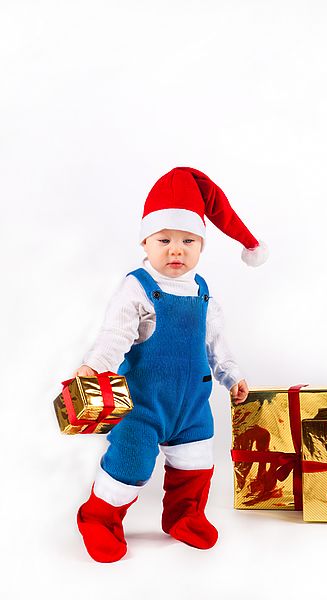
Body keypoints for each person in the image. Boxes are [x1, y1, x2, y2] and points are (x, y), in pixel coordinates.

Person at [74, 166, 268, 562]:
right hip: (143, 404)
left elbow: (216, 343)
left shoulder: (203, 292)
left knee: (196, 464)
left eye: (187, 240)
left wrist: (232, 377)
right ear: (145, 241)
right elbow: (116, 335)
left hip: (192, 406)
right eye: (164, 240)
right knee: (130, 462)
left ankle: (184, 515)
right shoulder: (138, 287)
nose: (176, 250)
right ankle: (99, 518)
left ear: (201, 246)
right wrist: (94, 367)